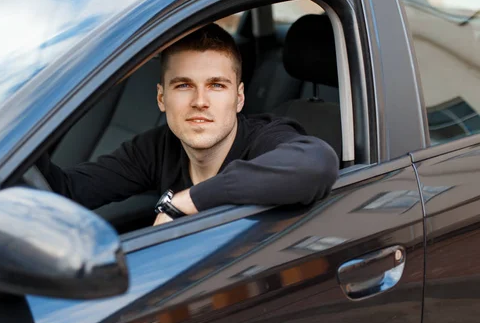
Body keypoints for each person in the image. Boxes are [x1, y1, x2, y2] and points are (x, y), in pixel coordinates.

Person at [38, 23, 339, 226]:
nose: (200, 101)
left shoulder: (264, 138)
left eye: (217, 86)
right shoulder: (157, 147)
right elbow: (67, 189)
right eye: (183, 86)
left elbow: (317, 164)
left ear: (239, 97)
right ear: (161, 98)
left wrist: (185, 202)